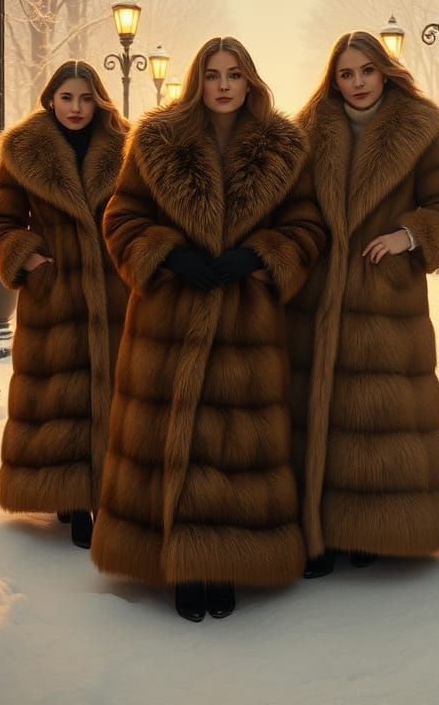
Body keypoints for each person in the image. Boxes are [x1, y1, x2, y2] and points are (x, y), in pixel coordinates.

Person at [90, 37, 325, 622]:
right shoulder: (155, 140)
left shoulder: (286, 147)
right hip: (169, 316)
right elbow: (121, 216)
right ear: (197, 81)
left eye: (235, 74)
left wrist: (262, 254)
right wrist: (167, 256)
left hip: (246, 322)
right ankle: (179, 565)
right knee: (172, 441)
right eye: (213, 74)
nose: (223, 85)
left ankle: (227, 561)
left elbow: (308, 225)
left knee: (234, 447)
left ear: (250, 80)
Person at [288, 31, 439, 578]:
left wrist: (408, 236)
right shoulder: (308, 130)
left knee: (377, 418)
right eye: (346, 73)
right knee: (319, 415)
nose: (357, 83)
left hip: (384, 295)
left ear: (384, 70)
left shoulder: (417, 128)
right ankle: (318, 532)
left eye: (366, 70)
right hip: (317, 297)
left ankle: (371, 529)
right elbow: (289, 206)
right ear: (333, 78)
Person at [0, 60, 128, 549]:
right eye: (67, 98)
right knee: (63, 398)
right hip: (56, 296)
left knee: (114, 391)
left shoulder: (128, 146)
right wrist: (31, 259)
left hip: (115, 294)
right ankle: (68, 494)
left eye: (86, 98)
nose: (77, 108)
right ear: (51, 98)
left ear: (99, 99)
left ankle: (104, 495)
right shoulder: (22, 150)